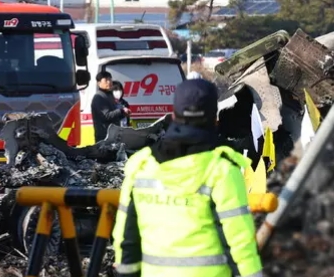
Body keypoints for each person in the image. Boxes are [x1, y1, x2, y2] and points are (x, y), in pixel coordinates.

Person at [112, 79, 263, 277]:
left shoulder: (142, 165)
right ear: (215, 119)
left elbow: (126, 238)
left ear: (174, 115)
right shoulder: (221, 169)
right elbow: (240, 244)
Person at [91, 71, 131, 142]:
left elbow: (114, 116)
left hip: (113, 136)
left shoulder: (109, 95)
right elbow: (106, 116)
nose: (109, 82)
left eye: (110, 79)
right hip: (104, 137)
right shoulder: (99, 97)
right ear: (99, 83)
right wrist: (121, 111)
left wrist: (123, 114)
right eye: (106, 80)